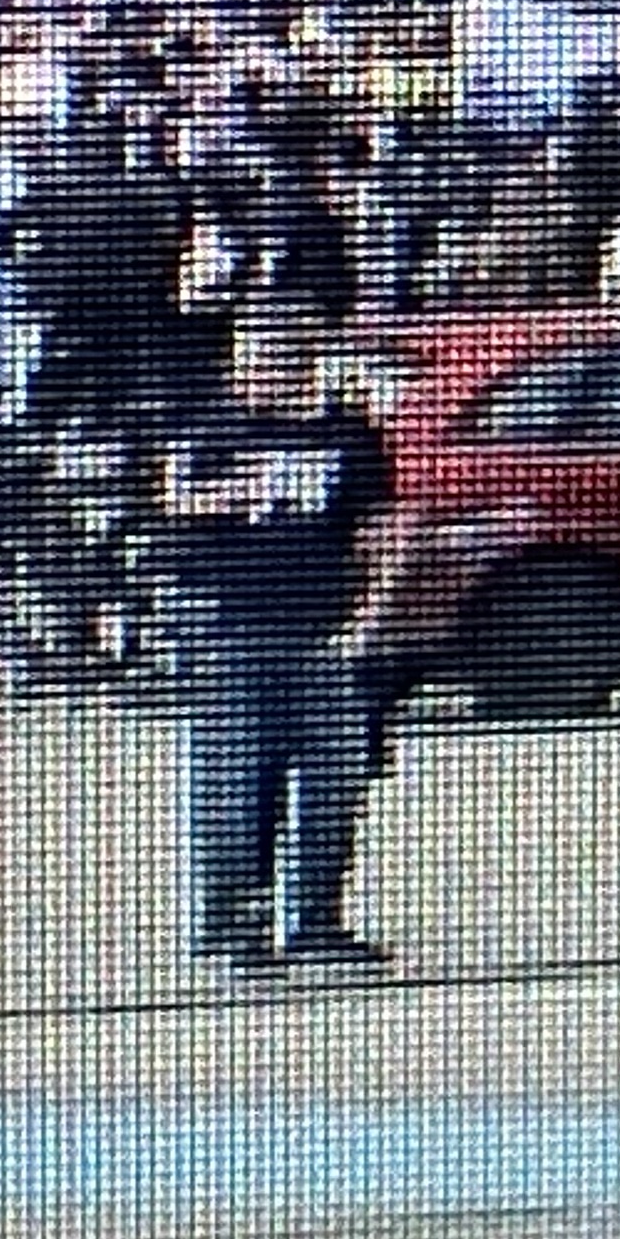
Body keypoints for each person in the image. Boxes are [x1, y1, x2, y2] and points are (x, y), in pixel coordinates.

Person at [157, 316, 395, 976]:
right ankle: (232, 923)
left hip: (320, 632)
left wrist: (367, 620)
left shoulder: (348, 437)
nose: (266, 372)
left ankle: (315, 918)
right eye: (258, 358)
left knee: (333, 777)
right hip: (228, 629)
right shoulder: (215, 428)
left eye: (284, 357)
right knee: (234, 782)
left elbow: (378, 531)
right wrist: (237, 493)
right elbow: (176, 501)